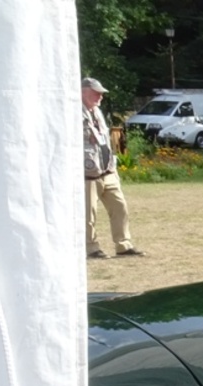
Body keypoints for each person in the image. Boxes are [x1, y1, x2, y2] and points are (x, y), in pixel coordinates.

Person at [81, 78, 142, 259]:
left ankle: (123, 245)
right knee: (88, 213)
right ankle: (91, 248)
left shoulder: (97, 111)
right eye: (96, 93)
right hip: (88, 173)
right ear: (83, 92)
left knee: (120, 206)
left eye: (101, 93)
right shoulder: (72, 113)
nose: (100, 96)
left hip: (107, 170)